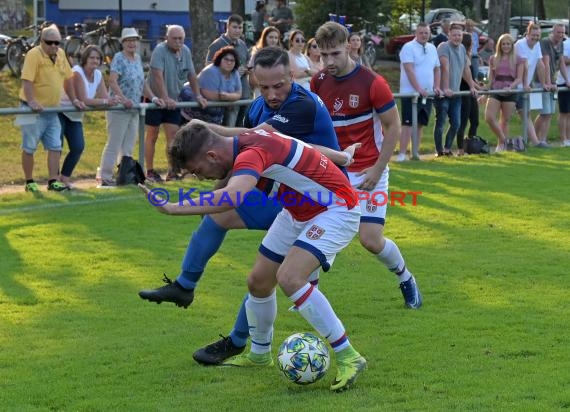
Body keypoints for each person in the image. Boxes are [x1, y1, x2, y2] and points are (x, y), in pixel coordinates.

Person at [139, 47, 357, 365]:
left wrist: (176, 206)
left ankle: (342, 354)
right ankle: (248, 344)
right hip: (293, 201)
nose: (271, 94)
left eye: (278, 86)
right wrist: (342, 156)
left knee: (283, 273)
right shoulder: (256, 113)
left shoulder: (300, 104)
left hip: (322, 200)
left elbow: (252, 151)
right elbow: (249, 146)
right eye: (263, 86)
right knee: (256, 275)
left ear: (292, 77)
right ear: (254, 80)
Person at [141, 122, 366, 392]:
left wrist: (172, 208)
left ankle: (348, 355)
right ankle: (260, 354)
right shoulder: (251, 137)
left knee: (290, 278)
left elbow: (233, 196)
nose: (201, 178)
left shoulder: (251, 153)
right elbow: (304, 147)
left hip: (336, 209)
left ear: (212, 156)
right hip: (298, 212)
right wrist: (342, 157)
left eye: (198, 171)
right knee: (258, 282)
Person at [312, 21, 422, 309]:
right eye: (323, 55)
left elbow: (393, 127)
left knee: (371, 240)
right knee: (313, 227)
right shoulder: (318, 82)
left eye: (334, 54)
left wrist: (377, 170)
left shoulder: (373, 82)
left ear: (349, 45)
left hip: (368, 170)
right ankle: (307, 291)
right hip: (333, 171)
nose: (328, 62)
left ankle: (406, 278)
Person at [18, 24, 84, 193]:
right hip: (31, 109)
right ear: (41, 41)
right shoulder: (33, 55)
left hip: (52, 110)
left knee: (55, 146)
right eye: (50, 42)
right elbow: (27, 80)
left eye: (57, 43)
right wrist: (31, 101)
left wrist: (74, 99)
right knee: (29, 147)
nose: (54, 46)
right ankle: (29, 181)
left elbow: (68, 79)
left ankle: (53, 180)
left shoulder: (61, 54)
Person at [145, 25, 206, 183]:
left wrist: (198, 95)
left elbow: (192, 75)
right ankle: (150, 171)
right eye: (175, 38)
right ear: (167, 38)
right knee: (152, 136)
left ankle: (172, 171)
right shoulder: (159, 50)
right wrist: (164, 98)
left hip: (173, 101)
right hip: (155, 100)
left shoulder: (185, 51)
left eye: (181, 39)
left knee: (173, 137)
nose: (178, 41)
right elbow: (157, 76)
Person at [99, 28, 155, 187]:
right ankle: (105, 177)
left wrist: (154, 97)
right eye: (128, 40)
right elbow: (112, 81)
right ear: (122, 43)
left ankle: (124, 174)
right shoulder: (118, 58)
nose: (131, 43)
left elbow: (142, 83)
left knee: (129, 145)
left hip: (134, 108)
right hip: (119, 108)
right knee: (114, 143)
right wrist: (123, 99)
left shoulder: (137, 58)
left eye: (134, 40)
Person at [59, 45, 119, 188]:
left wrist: (115, 100)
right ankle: (54, 180)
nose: (95, 61)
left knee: (78, 146)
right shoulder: (77, 72)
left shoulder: (98, 74)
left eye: (98, 58)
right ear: (85, 58)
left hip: (75, 115)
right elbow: (84, 99)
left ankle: (64, 177)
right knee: (57, 147)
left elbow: (104, 97)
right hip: (60, 111)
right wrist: (106, 101)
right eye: (92, 57)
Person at [396, 22, 441, 162]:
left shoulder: (432, 48)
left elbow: (437, 68)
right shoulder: (408, 48)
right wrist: (418, 89)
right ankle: (402, 154)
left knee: (420, 123)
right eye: (421, 33)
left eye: (426, 33)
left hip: (427, 94)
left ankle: (414, 153)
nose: (424, 35)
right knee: (408, 123)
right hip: (410, 93)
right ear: (416, 33)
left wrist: (437, 87)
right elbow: (409, 69)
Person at [434, 23, 477, 156]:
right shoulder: (443, 47)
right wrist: (445, 88)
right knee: (441, 123)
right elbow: (444, 67)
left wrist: (472, 86)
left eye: (459, 35)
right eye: (454, 35)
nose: (457, 38)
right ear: (449, 35)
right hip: (442, 93)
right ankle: (439, 150)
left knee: (457, 123)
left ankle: (447, 149)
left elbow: (465, 69)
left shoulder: (462, 48)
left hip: (456, 93)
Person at [206, 14, 251, 127]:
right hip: (227, 96)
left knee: (241, 130)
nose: (237, 30)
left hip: (244, 94)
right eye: (234, 27)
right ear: (227, 26)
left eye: (240, 28)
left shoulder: (242, 44)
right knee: (227, 131)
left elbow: (248, 64)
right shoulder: (217, 44)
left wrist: (247, 69)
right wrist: (232, 71)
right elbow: (208, 68)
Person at [514, 22, 552, 148]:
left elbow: (540, 65)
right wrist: (525, 84)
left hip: (524, 86)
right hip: (515, 85)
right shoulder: (520, 45)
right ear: (528, 33)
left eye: (538, 35)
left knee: (526, 113)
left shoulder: (537, 45)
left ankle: (535, 142)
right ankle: (504, 144)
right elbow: (523, 66)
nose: (535, 38)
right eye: (533, 35)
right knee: (510, 115)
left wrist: (544, 83)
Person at [485, 33, 524, 152]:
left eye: (508, 44)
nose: (506, 46)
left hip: (510, 91)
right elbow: (491, 76)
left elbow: (519, 78)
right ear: (499, 45)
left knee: (505, 120)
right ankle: (504, 140)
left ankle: (501, 146)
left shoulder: (518, 59)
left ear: (512, 45)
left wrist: (510, 87)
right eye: (503, 44)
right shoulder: (493, 58)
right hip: (496, 90)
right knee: (489, 117)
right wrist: (487, 88)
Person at [186, 46, 242, 125]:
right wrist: (229, 97)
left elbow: (239, 94)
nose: (229, 62)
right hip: (192, 107)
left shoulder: (235, 73)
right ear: (220, 59)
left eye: (232, 60)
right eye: (226, 59)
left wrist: (227, 96)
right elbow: (210, 95)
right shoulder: (211, 71)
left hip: (213, 112)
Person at [534, 23, 565, 144]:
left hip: (552, 81)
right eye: (558, 32)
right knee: (545, 113)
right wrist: (547, 83)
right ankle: (535, 139)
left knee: (549, 113)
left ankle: (543, 140)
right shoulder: (545, 42)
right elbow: (545, 63)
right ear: (553, 32)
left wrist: (566, 80)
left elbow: (561, 62)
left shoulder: (561, 44)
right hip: (542, 81)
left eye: (563, 33)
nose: (561, 35)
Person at [456, 32, 481, 155]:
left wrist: (478, 85)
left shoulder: (469, 56)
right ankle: (460, 148)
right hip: (464, 91)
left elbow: (471, 76)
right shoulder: (462, 56)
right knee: (463, 121)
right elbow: (465, 76)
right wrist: (475, 86)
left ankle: (471, 145)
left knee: (475, 120)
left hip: (471, 91)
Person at [248, 26, 282, 97]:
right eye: (271, 37)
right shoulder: (257, 54)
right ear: (265, 38)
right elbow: (251, 75)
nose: (273, 40)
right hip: (261, 91)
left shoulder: (281, 55)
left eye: (276, 38)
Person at [556, 37, 570, 147]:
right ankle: (563, 139)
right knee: (564, 113)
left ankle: (568, 138)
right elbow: (563, 61)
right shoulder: (566, 44)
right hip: (564, 83)